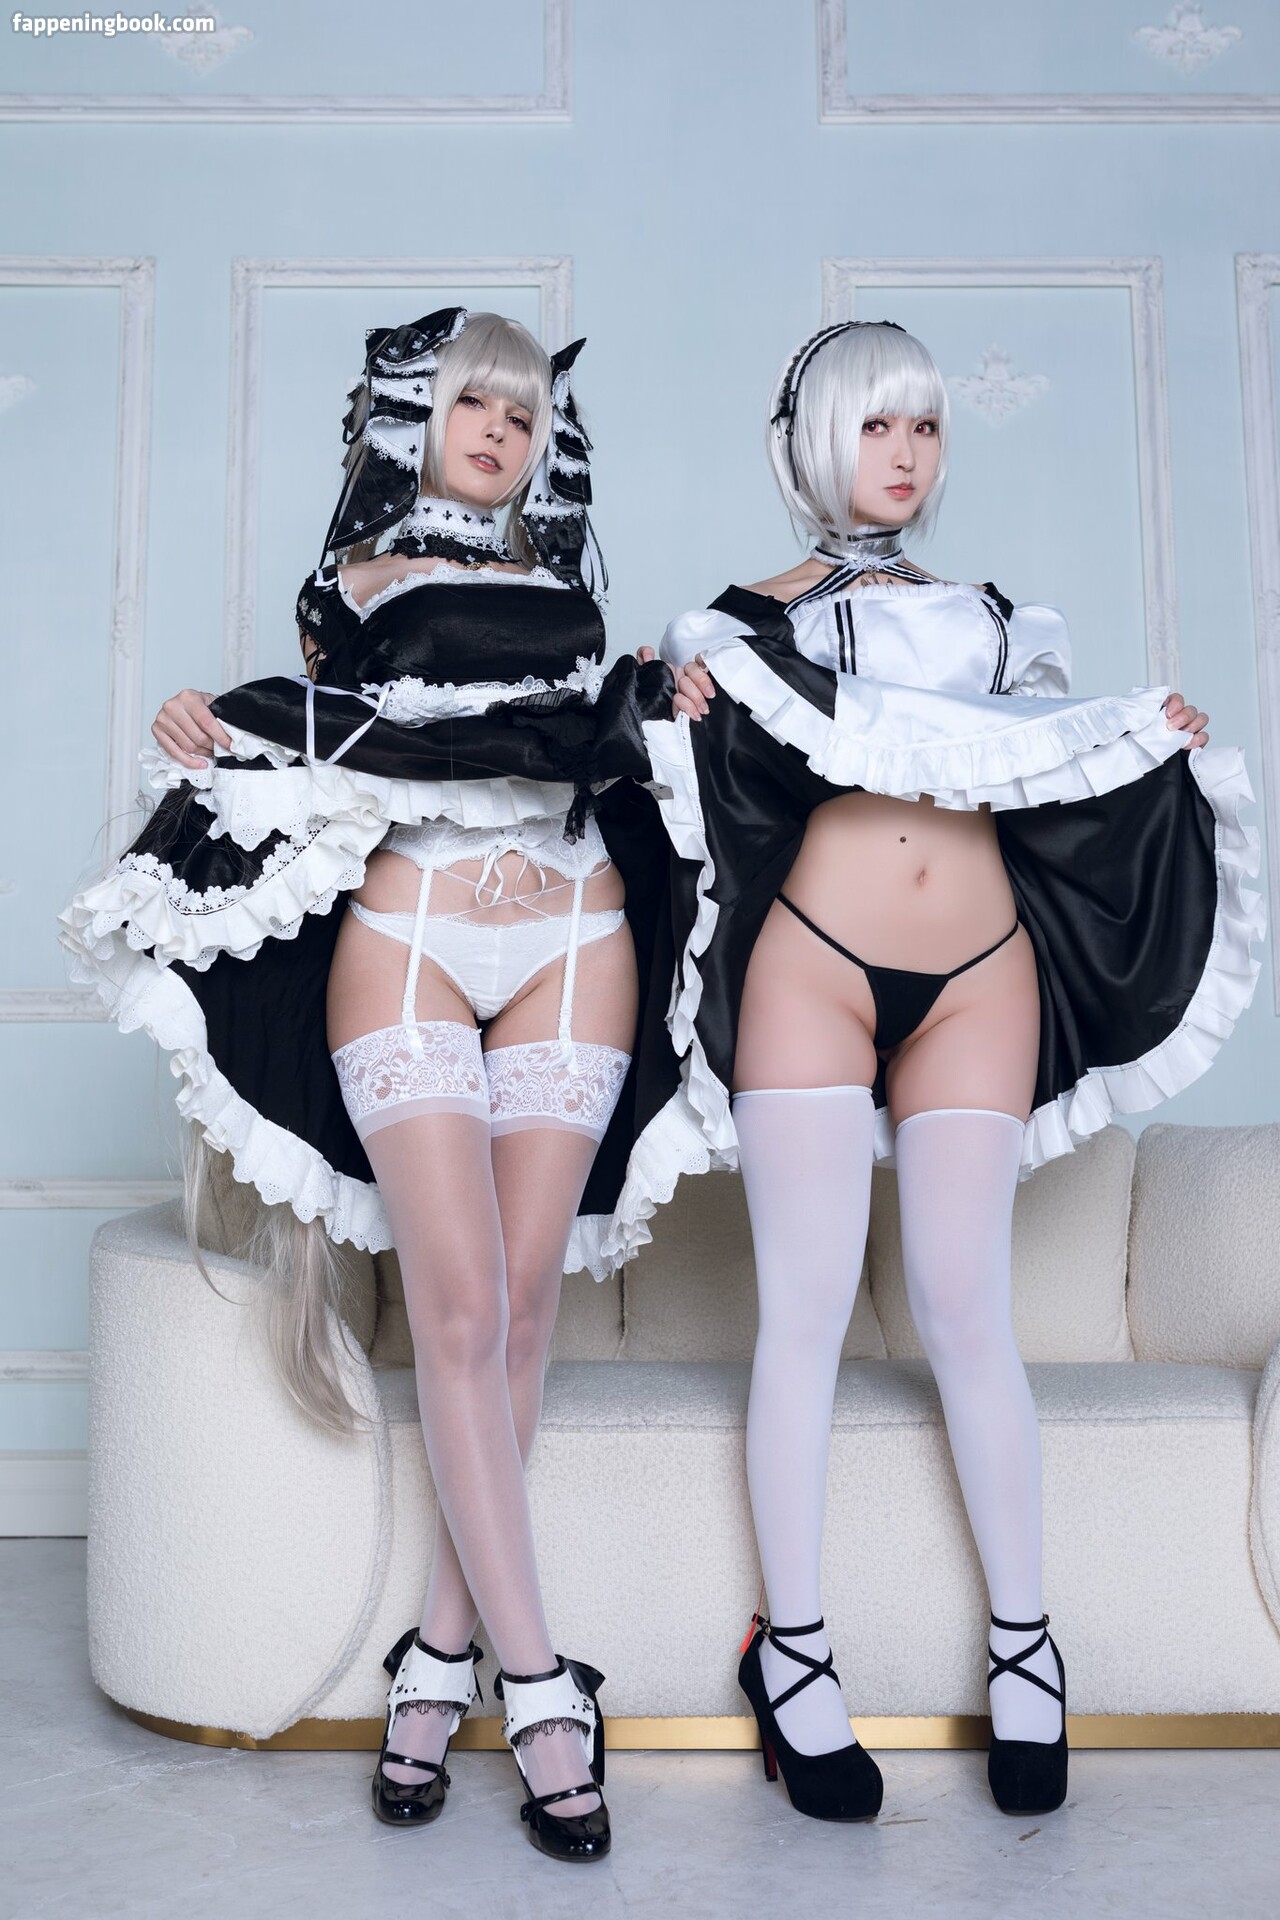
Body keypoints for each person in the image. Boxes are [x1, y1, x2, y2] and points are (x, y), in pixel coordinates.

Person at [61, 309, 675, 1862]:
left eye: (524, 415)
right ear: (415, 419)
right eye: (474, 402)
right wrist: (211, 722)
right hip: (412, 941)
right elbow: (342, 731)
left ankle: (437, 1658)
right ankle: (540, 1687)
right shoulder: (355, 586)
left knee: (522, 1309)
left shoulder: (572, 599)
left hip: (579, 936)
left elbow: (588, 739)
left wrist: (684, 697)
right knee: (460, 1313)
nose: (500, 431)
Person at [650, 319, 1263, 1820]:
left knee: (965, 1311)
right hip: (812, 967)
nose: (906, 454)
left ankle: (1027, 1646)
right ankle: (794, 1652)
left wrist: (1150, 741)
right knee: (803, 1313)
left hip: (982, 979)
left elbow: (1047, 762)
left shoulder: (998, 623)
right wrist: (673, 709)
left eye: (925, 426)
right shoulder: (727, 629)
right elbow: (685, 790)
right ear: (815, 442)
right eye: (876, 426)